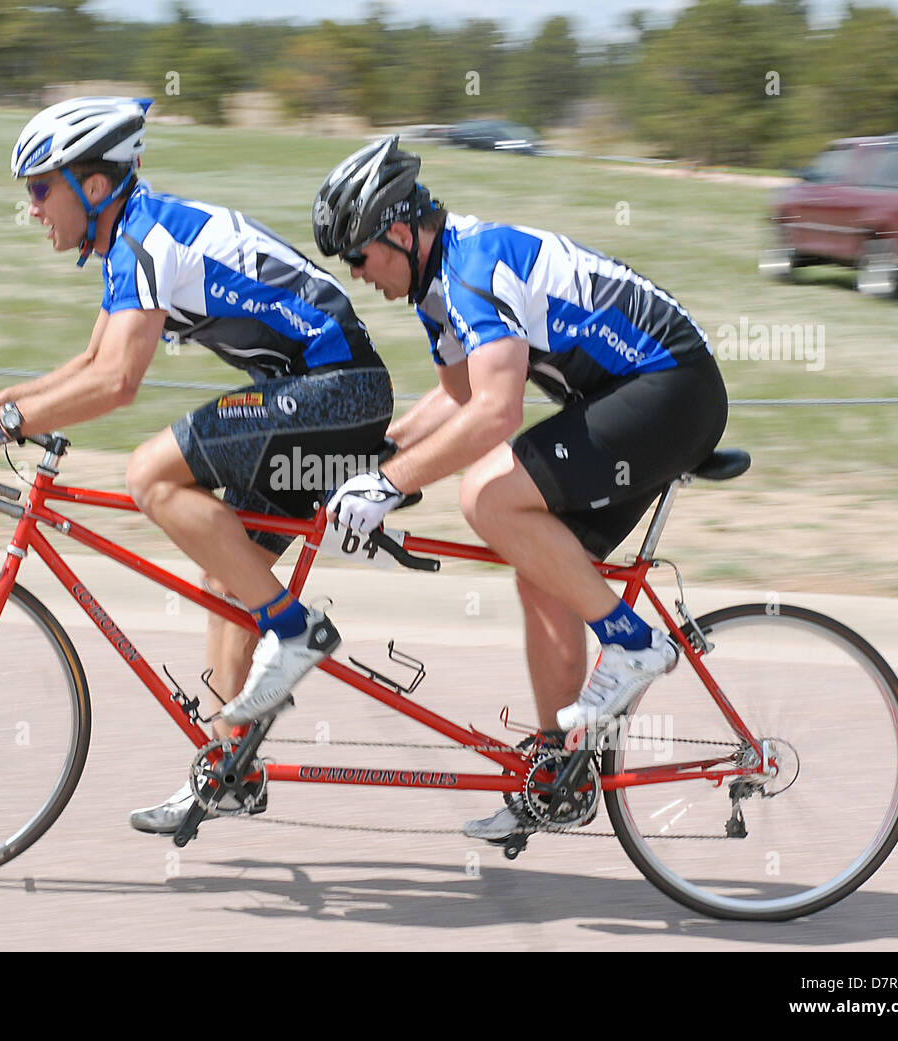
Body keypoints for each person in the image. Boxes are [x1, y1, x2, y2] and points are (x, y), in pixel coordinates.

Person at [0, 98, 392, 834]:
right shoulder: (131, 238)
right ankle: (227, 767)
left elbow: (116, 384)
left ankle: (298, 631)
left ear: (97, 188)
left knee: (148, 474)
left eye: (42, 189)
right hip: (315, 396)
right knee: (223, 570)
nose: (34, 208)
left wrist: (6, 425)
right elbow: (88, 361)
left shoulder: (146, 241)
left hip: (338, 395)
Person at [302, 135, 728, 840]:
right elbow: (458, 397)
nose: (356, 273)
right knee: (541, 571)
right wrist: (372, 464)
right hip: (640, 395)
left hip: (671, 389)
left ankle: (631, 642)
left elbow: (497, 413)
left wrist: (388, 484)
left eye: (359, 256)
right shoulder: (436, 288)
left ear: (401, 233)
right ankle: (557, 780)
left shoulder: (472, 268)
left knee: (488, 498)